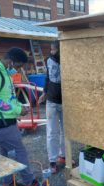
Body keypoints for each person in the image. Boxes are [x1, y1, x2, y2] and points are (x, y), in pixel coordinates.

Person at [0, 47, 47, 186]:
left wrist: (19, 107)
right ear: (10, 61)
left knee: (5, 154)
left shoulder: (4, 72)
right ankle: (30, 184)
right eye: (17, 66)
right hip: (0, 122)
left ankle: (8, 185)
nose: (18, 70)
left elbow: (7, 97)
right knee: (19, 151)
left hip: (4, 121)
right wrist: (16, 110)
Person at [39, 42, 66, 173]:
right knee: (52, 132)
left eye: (54, 49)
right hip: (52, 101)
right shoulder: (49, 60)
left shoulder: (68, 59)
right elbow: (48, 77)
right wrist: (44, 93)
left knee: (67, 131)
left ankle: (64, 155)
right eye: (51, 49)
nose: (52, 52)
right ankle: (52, 161)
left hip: (67, 101)